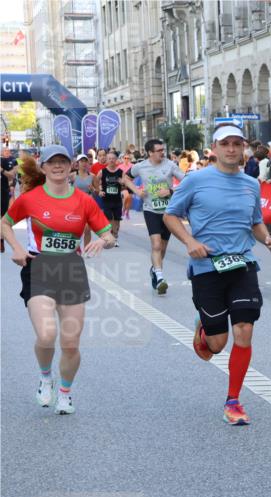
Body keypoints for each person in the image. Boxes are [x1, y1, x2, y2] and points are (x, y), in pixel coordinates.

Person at [162, 124, 271, 426]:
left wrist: (267, 240)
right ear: (214, 148)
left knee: (244, 329)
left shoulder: (251, 184)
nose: (231, 149)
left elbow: (256, 222)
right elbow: (170, 215)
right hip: (207, 267)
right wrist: (190, 241)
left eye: (236, 143)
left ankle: (233, 400)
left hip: (242, 263)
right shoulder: (196, 180)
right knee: (216, 345)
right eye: (225, 143)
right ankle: (204, 326)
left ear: (244, 148)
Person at [1, 146, 116, 415]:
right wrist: (17, 248)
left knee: (71, 342)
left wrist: (103, 240)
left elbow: (108, 236)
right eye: (52, 162)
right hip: (39, 266)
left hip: (71, 269)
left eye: (63, 161)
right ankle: (45, 377)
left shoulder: (84, 201)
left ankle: (65, 392)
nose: (58, 166)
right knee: (46, 333)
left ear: (71, 166)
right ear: (43, 167)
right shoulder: (30, 199)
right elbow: (4, 223)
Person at [121, 138, 186, 294]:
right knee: (156, 245)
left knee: (162, 248)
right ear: (150, 152)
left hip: (169, 212)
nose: (162, 153)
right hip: (151, 210)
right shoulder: (141, 166)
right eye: (159, 151)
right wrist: (136, 191)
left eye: (163, 150)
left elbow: (187, 181)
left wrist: (170, 191)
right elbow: (125, 177)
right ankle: (160, 278)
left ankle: (155, 271)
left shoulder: (170, 165)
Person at [98, 149, 125, 242]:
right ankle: (111, 236)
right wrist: (100, 190)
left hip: (117, 199)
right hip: (107, 199)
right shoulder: (102, 172)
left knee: (117, 219)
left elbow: (126, 185)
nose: (111, 160)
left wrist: (122, 183)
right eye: (109, 158)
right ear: (107, 159)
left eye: (113, 158)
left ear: (116, 159)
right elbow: (96, 182)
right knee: (109, 218)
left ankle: (115, 233)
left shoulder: (121, 172)